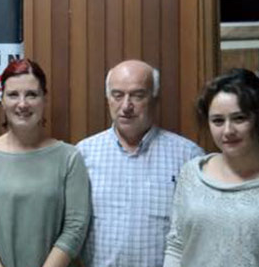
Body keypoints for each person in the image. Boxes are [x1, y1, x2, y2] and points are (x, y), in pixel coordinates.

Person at [163, 68, 259, 267]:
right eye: (218, 121)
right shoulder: (192, 173)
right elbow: (177, 245)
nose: (228, 130)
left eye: (239, 118)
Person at [0, 58, 91, 267]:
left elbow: (75, 227)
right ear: (2, 100)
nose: (22, 104)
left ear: (44, 99)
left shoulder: (69, 158)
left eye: (31, 94)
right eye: (13, 94)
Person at [76, 60, 204, 267]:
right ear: (108, 99)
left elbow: (199, 230)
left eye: (137, 95)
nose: (126, 106)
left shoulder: (187, 156)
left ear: (155, 99)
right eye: (117, 95)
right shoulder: (83, 154)